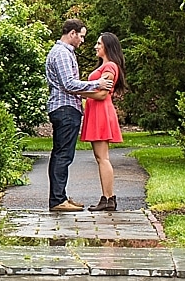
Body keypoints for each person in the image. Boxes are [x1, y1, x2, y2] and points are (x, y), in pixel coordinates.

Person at [44, 19, 112, 212]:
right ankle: (57, 200)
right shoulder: (62, 54)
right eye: (81, 36)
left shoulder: (62, 53)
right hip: (65, 109)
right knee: (62, 155)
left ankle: (61, 196)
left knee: (63, 154)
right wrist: (96, 84)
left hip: (65, 108)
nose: (83, 40)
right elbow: (69, 84)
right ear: (72, 33)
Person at [81, 32, 126, 211]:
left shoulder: (110, 67)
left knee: (102, 158)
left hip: (101, 112)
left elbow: (101, 94)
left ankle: (108, 198)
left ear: (107, 46)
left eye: (99, 44)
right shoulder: (106, 66)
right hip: (97, 112)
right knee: (101, 157)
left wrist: (77, 91)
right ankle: (107, 198)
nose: (95, 46)